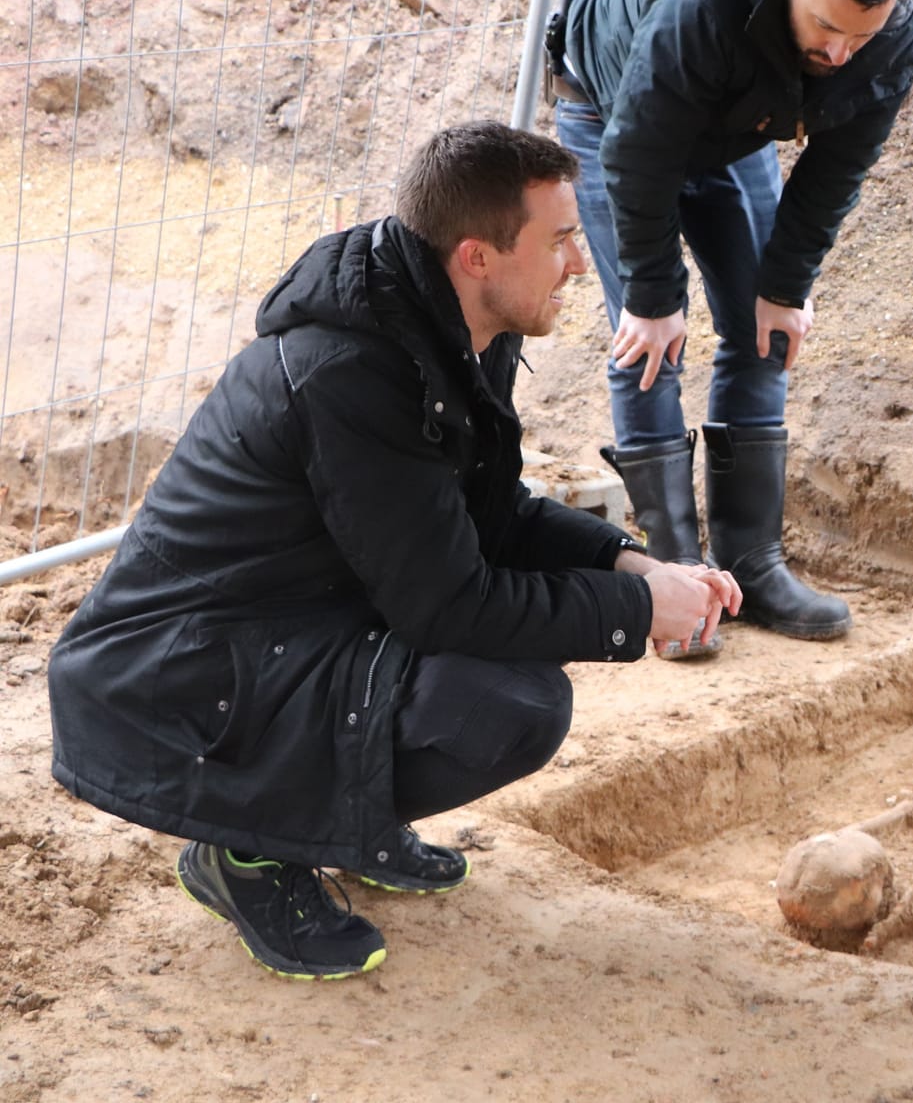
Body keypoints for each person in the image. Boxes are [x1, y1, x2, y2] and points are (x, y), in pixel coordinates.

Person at [45, 121, 740, 981]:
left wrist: (626, 563)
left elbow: (483, 515)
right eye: (559, 239)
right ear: (478, 256)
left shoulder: (455, 326)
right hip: (181, 671)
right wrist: (637, 615)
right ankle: (245, 855)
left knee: (512, 687)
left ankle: (343, 817)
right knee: (510, 706)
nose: (578, 261)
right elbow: (448, 604)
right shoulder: (350, 370)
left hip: (298, 622)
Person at [548, 0, 913, 650]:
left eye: (861, 34)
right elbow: (637, 151)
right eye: (825, 27)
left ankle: (751, 563)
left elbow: (838, 166)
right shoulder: (703, 2)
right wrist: (654, 296)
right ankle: (677, 580)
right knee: (649, 339)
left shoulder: (890, 30)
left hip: (733, 122)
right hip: (611, 108)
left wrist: (785, 288)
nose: (839, 54)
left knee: (764, 331)